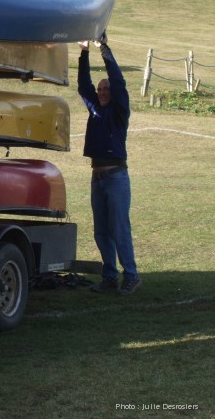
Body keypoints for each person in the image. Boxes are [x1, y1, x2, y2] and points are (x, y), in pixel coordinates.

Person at [77, 33, 141, 295]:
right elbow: (84, 85)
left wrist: (103, 49)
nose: (102, 92)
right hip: (98, 179)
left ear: (114, 94)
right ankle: (110, 276)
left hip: (116, 178)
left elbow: (118, 80)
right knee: (101, 231)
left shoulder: (118, 111)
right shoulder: (95, 109)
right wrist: (83, 52)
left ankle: (131, 275)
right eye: (100, 89)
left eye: (106, 90)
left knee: (119, 228)